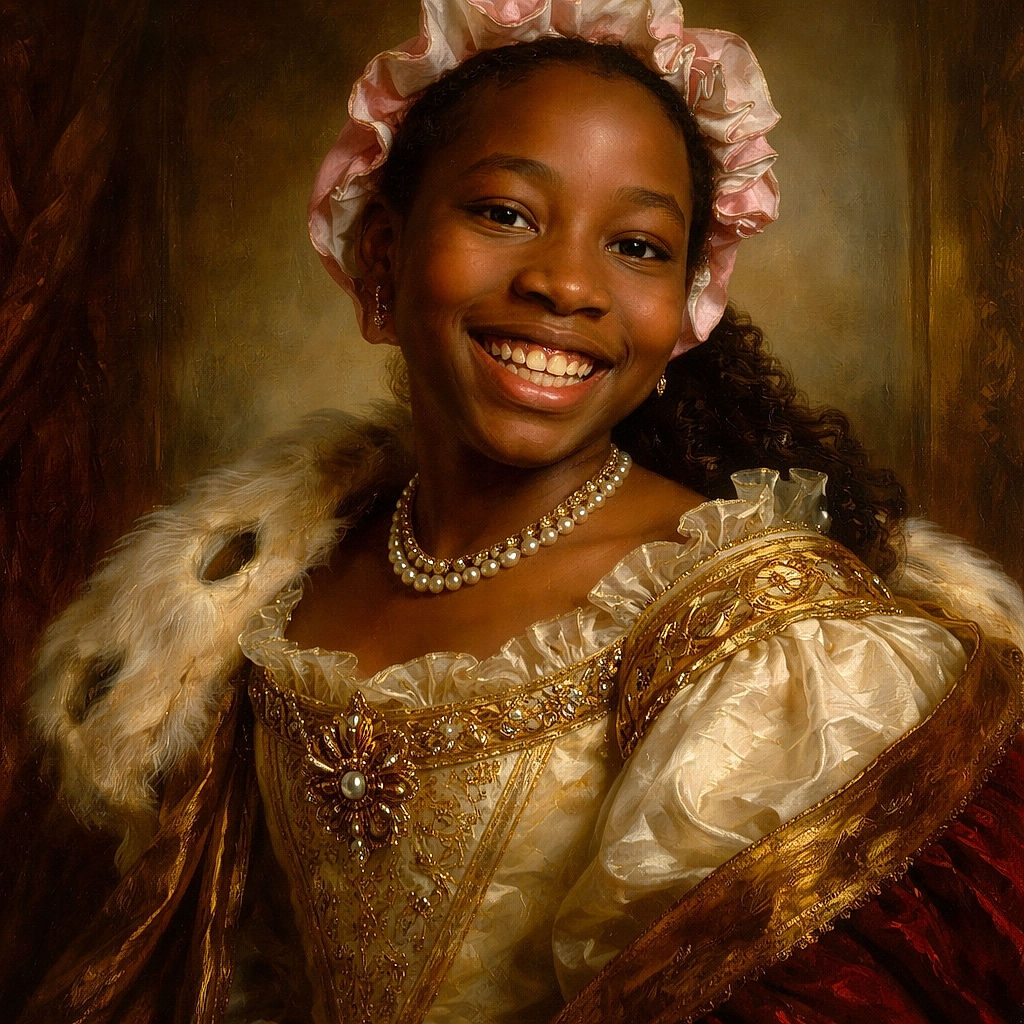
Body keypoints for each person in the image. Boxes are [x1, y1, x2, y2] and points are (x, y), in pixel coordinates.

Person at [20, 1, 1024, 1022]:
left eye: (636, 245)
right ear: (379, 262)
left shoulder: (753, 627)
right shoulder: (279, 577)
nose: (564, 282)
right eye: (503, 213)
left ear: (685, 309)